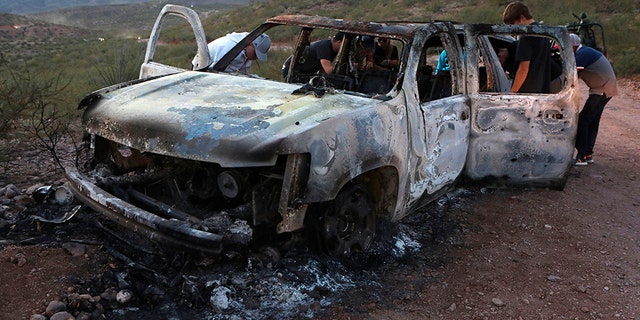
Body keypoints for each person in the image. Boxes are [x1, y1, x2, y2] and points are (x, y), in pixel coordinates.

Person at [569, 33, 619, 165]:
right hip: (604, 88)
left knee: (583, 120)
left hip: (602, 89)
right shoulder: (586, 51)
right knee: (592, 121)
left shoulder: (581, 55)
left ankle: (581, 156)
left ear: (572, 47)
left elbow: (572, 74)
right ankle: (588, 154)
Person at [502, 1, 552, 93]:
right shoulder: (544, 33)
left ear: (522, 18)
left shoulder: (526, 37)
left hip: (527, 93)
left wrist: (512, 93)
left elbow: (523, 69)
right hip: (542, 89)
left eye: (513, 25)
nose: (513, 30)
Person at [200, 32, 271, 73]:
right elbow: (214, 71)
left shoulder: (247, 53)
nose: (255, 57)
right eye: (255, 53)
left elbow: (243, 73)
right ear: (250, 43)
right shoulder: (230, 46)